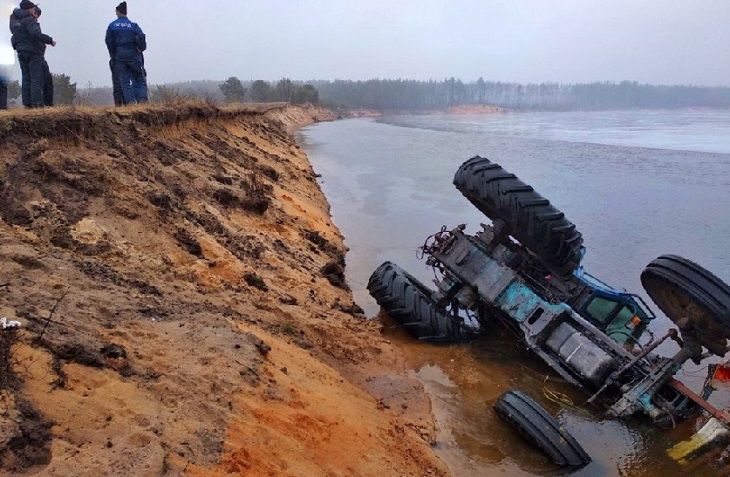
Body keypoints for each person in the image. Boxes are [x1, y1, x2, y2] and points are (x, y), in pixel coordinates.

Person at [9, 0, 55, 108]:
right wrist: (50, 40)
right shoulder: (29, 19)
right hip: (33, 52)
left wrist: (17, 46)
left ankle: (28, 104)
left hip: (21, 51)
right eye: (33, 8)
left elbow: (14, 36)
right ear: (29, 8)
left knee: (26, 77)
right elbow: (35, 34)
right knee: (36, 78)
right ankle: (37, 104)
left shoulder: (14, 20)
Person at [106, 2, 148, 105]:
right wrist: (141, 48)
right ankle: (142, 100)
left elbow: (109, 41)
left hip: (119, 56)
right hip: (134, 55)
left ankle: (130, 103)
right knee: (139, 78)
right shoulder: (133, 25)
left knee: (124, 81)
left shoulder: (112, 26)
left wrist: (113, 54)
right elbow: (142, 36)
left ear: (118, 12)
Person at [33, 7, 53, 107]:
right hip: (36, 55)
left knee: (48, 80)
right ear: (34, 13)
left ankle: (48, 103)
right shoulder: (30, 24)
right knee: (38, 81)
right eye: (37, 16)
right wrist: (50, 40)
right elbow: (38, 36)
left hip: (40, 55)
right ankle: (39, 104)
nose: (37, 18)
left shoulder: (32, 24)